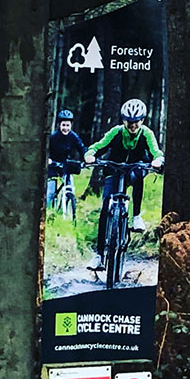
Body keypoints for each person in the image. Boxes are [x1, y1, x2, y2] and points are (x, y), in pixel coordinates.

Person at [84, 98, 163, 269]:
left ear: (142, 120)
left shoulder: (147, 134)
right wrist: (90, 155)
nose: (133, 125)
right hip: (114, 169)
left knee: (138, 176)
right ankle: (99, 255)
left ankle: (136, 217)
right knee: (106, 208)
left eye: (136, 122)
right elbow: (98, 146)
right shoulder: (116, 132)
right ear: (124, 120)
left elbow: (156, 151)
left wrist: (157, 161)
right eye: (129, 122)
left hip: (135, 168)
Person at [46, 109, 85, 208]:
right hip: (53, 165)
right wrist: (48, 160)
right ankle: (48, 212)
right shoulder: (53, 137)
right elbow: (47, 150)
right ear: (59, 125)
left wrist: (86, 157)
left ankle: (68, 207)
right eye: (63, 125)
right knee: (50, 192)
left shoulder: (73, 137)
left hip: (66, 165)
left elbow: (81, 148)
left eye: (68, 125)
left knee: (70, 188)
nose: (65, 128)